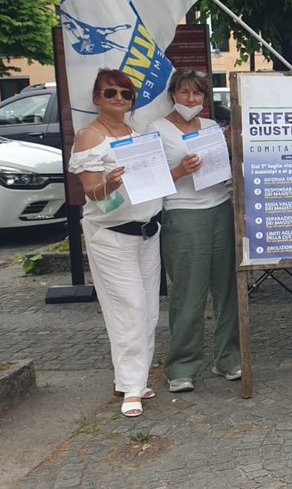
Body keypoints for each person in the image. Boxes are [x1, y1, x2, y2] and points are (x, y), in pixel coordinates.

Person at [69, 69, 164, 417]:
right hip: (111, 236)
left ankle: (131, 380)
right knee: (129, 309)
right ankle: (131, 388)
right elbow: (92, 194)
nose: (120, 99)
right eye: (111, 93)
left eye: (126, 94)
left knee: (149, 311)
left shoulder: (136, 132)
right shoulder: (89, 137)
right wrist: (109, 184)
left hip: (147, 231)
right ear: (97, 97)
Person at [148, 70, 240, 393]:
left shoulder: (212, 127)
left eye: (197, 94)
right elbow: (150, 180)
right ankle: (181, 366)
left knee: (227, 288)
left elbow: (225, 166)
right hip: (183, 213)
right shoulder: (157, 130)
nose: (191, 100)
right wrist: (180, 170)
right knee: (188, 292)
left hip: (220, 207)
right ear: (173, 94)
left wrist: (228, 148)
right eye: (185, 93)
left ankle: (228, 357)